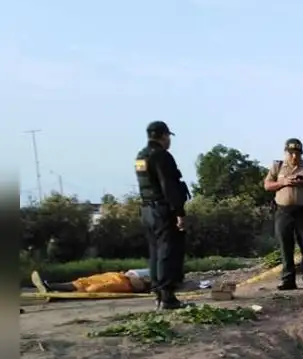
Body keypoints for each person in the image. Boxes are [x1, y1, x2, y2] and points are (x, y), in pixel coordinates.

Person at [135, 120, 191, 310]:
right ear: (164, 136)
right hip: (162, 209)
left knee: (155, 253)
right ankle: (167, 296)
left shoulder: (141, 156)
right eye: (168, 137)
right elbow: (169, 186)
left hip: (147, 210)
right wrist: (179, 213)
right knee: (168, 251)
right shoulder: (161, 156)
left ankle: (158, 293)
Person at [264, 138, 303, 290]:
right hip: (284, 211)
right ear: (286, 153)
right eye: (291, 153)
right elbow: (267, 185)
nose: (294, 156)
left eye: (297, 153)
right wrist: (282, 183)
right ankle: (288, 279)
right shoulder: (278, 166)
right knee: (285, 245)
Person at [31, 269, 151, 294]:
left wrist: (131, 278)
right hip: (121, 276)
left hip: (126, 283)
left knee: (94, 287)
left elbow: (140, 286)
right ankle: (52, 287)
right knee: (87, 281)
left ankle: (51, 287)